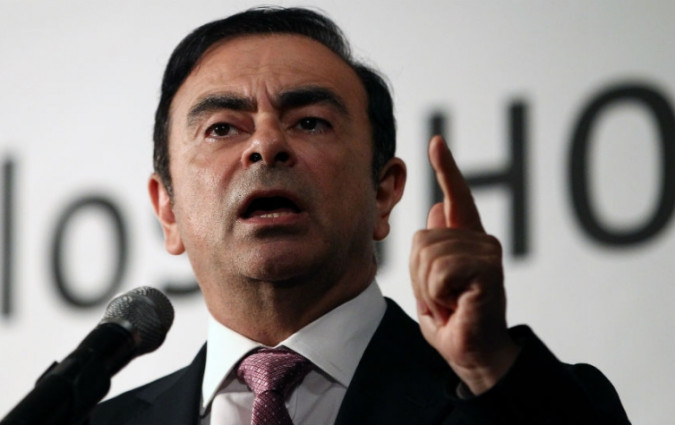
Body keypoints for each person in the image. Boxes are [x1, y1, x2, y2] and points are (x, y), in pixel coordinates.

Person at [90, 6, 629, 425]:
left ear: (383, 192)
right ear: (168, 209)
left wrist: (489, 366)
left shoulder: (512, 395)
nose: (266, 144)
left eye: (310, 122)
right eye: (223, 128)